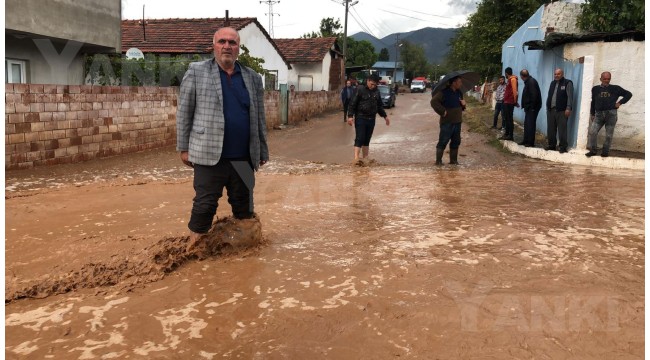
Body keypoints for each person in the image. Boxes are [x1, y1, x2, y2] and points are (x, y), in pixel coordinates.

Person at [176, 27, 269, 243]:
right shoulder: (197, 71)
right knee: (204, 206)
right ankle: (194, 250)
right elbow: (184, 113)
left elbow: (259, 117)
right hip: (209, 155)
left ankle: (244, 256)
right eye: (222, 42)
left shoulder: (253, 78)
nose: (227, 46)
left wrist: (262, 149)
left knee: (244, 207)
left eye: (232, 42)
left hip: (243, 156)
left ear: (238, 48)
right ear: (214, 46)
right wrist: (183, 148)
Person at [586, 71, 633, 157]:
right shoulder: (595, 89)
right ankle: (593, 150)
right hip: (599, 114)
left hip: (611, 114)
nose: (606, 81)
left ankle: (605, 152)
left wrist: (620, 103)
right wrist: (592, 113)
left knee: (608, 135)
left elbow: (628, 94)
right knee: (592, 132)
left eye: (608, 79)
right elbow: (593, 101)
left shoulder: (615, 88)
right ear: (601, 79)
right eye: (604, 79)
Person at [347, 73, 390, 164]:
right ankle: (356, 159)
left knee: (367, 139)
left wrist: (385, 116)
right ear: (368, 81)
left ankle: (365, 158)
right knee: (360, 138)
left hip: (371, 119)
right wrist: (350, 116)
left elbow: (379, 106)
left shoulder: (376, 91)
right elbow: (352, 104)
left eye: (375, 85)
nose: (373, 86)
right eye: (372, 84)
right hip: (360, 118)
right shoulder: (360, 89)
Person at [430, 76, 467, 165]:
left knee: (456, 141)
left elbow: (462, 107)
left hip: (457, 121)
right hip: (447, 122)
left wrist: (464, 105)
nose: (461, 84)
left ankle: (453, 161)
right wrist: (442, 112)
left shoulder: (459, 92)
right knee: (443, 141)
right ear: (454, 83)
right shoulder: (443, 93)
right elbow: (433, 102)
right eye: (459, 82)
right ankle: (438, 162)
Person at [545, 68, 574, 153]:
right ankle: (551, 145)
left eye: (558, 74)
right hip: (551, 110)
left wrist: (568, 108)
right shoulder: (552, 83)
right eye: (555, 74)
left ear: (562, 74)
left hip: (562, 110)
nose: (556, 76)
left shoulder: (567, 83)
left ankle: (563, 147)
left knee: (562, 129)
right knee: (550, 129)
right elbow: (549, 95)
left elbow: (570, 97)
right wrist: (547, 107)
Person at [518, 69, 542, 147]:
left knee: (531, 125)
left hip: (532, 108)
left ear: (521, 76)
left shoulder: (531, 82)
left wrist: (532, 107)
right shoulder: (528, 81)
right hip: (529, 107)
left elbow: (534, 95)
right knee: (527, 124)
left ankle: (530, 142)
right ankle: (526, 140)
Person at [499, 67, 518, 141]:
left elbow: (515, 91)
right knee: (506, 118)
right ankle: (506, 134)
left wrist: (515, 102)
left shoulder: (513, 79)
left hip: (510, 103)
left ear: (506, 73)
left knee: (509, 119)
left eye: (505, 74)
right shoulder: (509, 80)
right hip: (506, 102)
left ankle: (510, 135)